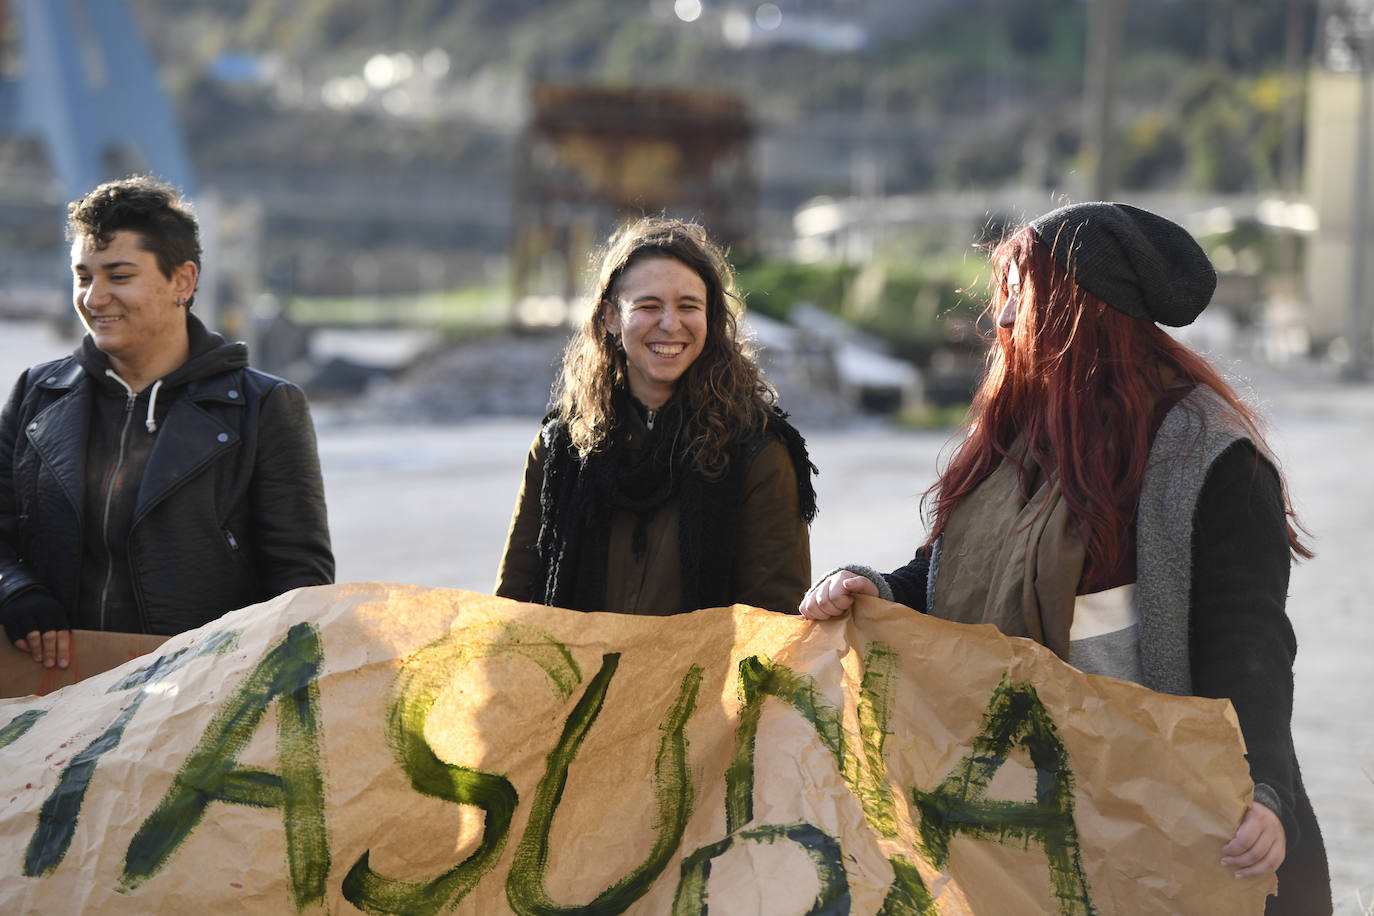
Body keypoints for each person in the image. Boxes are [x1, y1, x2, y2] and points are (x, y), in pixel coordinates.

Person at [798, 202, 1329, 913]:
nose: (1006, 318)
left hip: (1168, 814)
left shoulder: (1207, 450)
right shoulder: (1021, 437)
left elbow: (1249, 634)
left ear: (1082, 309)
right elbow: (951, 569)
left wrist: (1262, 789)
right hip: (1031, 815)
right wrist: (874, 586)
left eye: (1023, 291)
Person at [0, 175, 334, 669]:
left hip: (197, 695)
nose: (93, 299)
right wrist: (15, 589)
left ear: (183, 281)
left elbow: (299, 582)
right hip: (51, 689)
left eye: (119, 276)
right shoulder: (37, 393)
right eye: (83, 276)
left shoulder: (264, 407)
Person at [495, 216, 815, 616]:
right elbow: (511, 609)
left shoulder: (758, 452)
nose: (670, 324)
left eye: (688, 306)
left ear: (711, 318)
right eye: (648, 306)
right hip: (579, 678)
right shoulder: (562, 448)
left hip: (705, 679)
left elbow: (775, 623)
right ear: (610, 317)